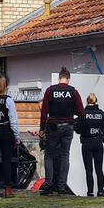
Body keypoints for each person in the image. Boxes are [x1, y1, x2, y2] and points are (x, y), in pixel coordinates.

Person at [39, 67, 84, 195]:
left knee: (49, 155)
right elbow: (81, 111)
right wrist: (72, 117)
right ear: (68, 79)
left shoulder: (50, 90)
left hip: (53, 126)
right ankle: (61, 186)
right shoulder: (73, 92)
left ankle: (48, 185)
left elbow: (44, 112)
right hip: (68, 126)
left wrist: (42, 128)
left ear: (59, 78)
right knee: (65, 155)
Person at [0, 76, 20, 198]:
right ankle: (7, 189)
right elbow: (13, 119)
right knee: (7, 160)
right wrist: (17, 136)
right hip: (6, 131)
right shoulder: (8, 100)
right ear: (6, 86)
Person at [74, 93, 104, 197]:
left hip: (87, 143)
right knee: (99, 169)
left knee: (88, 169)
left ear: (87, 101)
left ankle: (90, 192)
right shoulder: (101, 113)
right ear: (96, 101)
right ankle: (101, 191)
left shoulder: (83, 114)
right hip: (98, 142)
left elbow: (78, 130)